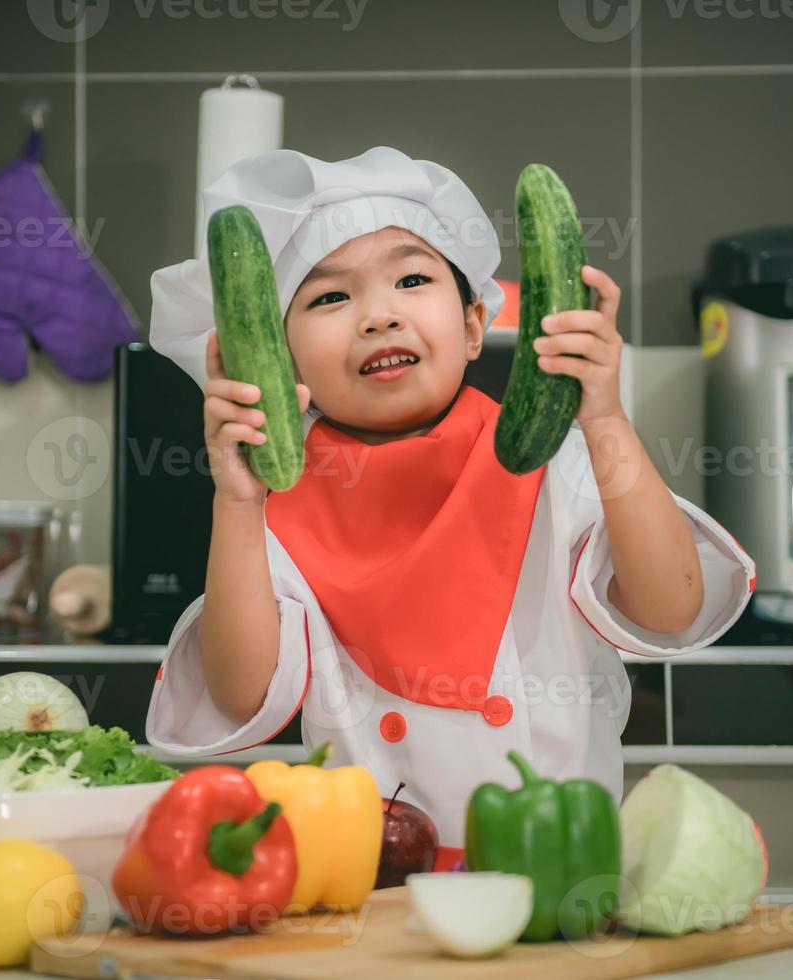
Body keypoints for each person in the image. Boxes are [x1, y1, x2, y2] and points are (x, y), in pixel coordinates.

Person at [147, 145, 754, 866]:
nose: (378, 315)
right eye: (329, 297)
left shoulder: (548, 460)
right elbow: (241, 695)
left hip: (560, 879)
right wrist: (238, 504)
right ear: (279, 363)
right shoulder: (276, 508)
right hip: (372, 895)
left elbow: (670, 608)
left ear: (473, 327)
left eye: (410, 278)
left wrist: (603, 421)